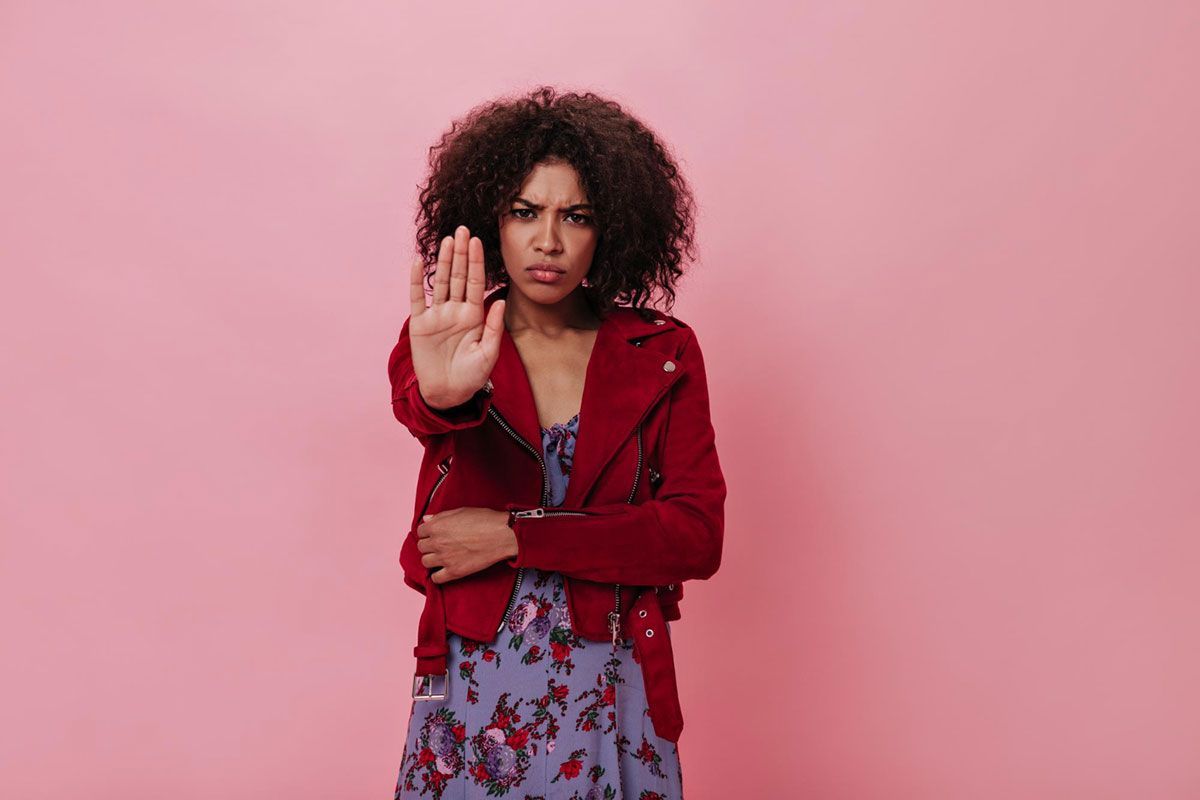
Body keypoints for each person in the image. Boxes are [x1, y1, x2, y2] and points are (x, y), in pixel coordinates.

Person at [387, 86, 726, 800]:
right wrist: (447, 396)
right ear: (489, 221)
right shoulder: (448, 340)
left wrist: (515, 534)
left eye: (577, 216)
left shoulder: (661, 352)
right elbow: (421, 407)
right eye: (524, 212)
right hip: (475, 679)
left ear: (612, 229)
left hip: (613, 675)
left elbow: (694, 537)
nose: (548, 241)